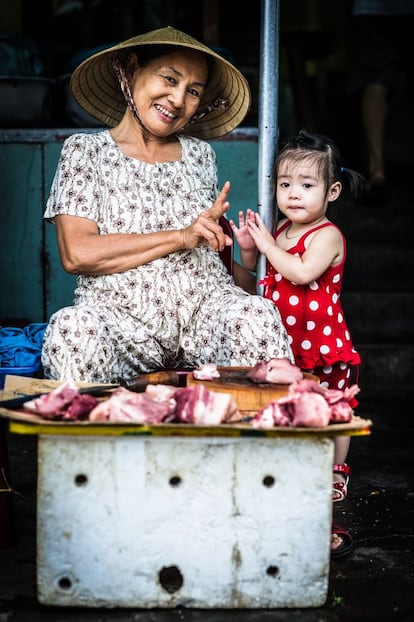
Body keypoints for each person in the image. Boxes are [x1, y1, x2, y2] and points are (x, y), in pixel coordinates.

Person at [41, 26, 293, 384]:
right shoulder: (85, 152)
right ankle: (92, 437)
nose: (177, 99)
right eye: (169, 79)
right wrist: (181, 236)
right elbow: (77, 254)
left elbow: (207, 255)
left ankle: (257, 435)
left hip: (204, 316)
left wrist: (253, 270)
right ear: (129, 69)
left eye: (193, 91)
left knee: (257, 314)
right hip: (122, 322)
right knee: (72, 329)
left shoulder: (200, 155)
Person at [230, 128, 365, 558]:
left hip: (322, 342)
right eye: (284, 184)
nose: (293, 194)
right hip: (284, 345)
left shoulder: (326, 235)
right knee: (294, 405)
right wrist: (251, 254)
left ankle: (336, 473)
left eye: (307, 185)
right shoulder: (282, 230)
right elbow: (255, 286)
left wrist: (269, 244)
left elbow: (302, 273)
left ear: (332, 191)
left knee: (333, 406)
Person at [347, 0, 414, 202]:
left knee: (375, 84)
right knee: (375, 83)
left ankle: (377, 170)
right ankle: (376, 171)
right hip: (375, 11)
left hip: (371, 11)